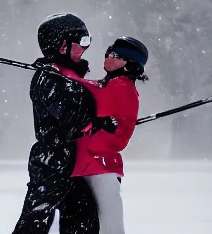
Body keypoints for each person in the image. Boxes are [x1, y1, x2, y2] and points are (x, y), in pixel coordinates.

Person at [12, 13, 117, 234]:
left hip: (69, 164)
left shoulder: (68, 77)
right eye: (81, 41)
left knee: (82, 221)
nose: (85, 48)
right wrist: (96, 122)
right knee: (35, 222)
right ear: (61, 46)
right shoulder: (49, 78)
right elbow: (71, 119)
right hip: (51, 163)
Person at [63, 36, 148, 234]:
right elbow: (91, 87)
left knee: (109, 227)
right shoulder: (110, 84)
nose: (108, 57)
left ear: (130, 64)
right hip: (92, 166)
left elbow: (115, 134)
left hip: (99, 166)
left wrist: (61, 72)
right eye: (108, 52)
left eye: (116, 55)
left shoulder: (120, 85)